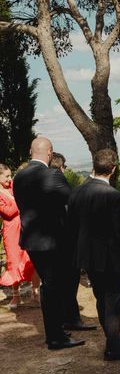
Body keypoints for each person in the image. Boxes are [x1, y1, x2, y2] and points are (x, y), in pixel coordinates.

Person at [12, 137, 85, 350]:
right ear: (50, 152)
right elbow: (72, 202)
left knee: (50, 285)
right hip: (53, 241)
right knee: (54, 286)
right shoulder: (52, 174)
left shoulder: (19, 176)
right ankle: (55, 336)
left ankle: (59, 329)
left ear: (30, 150)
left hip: (32, 241)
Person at [66, 149, 120, 361]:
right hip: (112, 257)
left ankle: (112, 338)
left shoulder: (77, 192)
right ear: (113, 169)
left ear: (94, 165)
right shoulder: (114, 196)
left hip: (88, 257)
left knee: (100, 298)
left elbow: (71, 227)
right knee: (114, 303)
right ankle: (113, 348)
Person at [49, 151, 92, 332]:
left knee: (61, 282)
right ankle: (70, 319)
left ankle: (68, 317)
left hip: (51, 241)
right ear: (61, 167)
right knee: (69, 281)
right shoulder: (59, 182)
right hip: (66, 242)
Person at [0, 163, 40, 309]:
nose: (10, 179)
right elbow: (9, 211)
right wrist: (20, 198)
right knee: (14, 261)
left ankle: (35, 293)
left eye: (11, 175)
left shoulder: (12, 189)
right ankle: (15, 297)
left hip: (25, 226)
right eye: (7, 176)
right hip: (11, 231)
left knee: (31, 259)